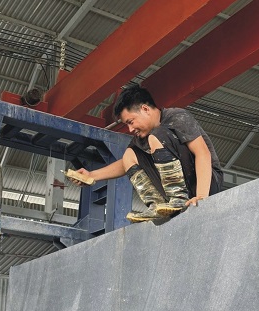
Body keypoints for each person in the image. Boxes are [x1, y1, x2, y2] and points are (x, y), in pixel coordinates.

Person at [73, 86, 223, 222]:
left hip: (206, 182)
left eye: (131, 122)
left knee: (156, 136)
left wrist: (202, 196)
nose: (130, 129)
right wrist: (92, 175)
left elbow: (202, 153)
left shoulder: (177, 117)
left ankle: (178, 198)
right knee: (130, 153)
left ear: (145, 109)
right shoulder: (142, 138)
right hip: (181, 190)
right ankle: (156, 204)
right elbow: (124, 164)